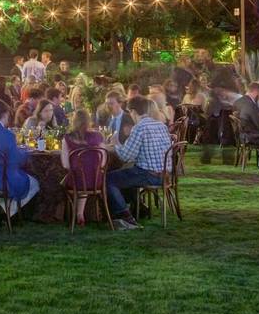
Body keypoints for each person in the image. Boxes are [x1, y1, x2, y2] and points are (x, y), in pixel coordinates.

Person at [105, 96, 174, 229]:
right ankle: (138, 209)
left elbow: (126, 156)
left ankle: (125, 217)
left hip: (148, 175)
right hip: (165, 175)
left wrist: (115, 144)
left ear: (134, 112)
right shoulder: (161, 125)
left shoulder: (140, 127)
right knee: (126, 174)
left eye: (130, 112)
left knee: (109, 179)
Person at [60, 109, 105, 226]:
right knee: (85, 176)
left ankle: (76, 214)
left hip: (77, 181)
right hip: (96, 181)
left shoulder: (67, 138)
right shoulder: (98, 136)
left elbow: (65, 164)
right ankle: (81, 213)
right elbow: (104, 160)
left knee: (78, 177)